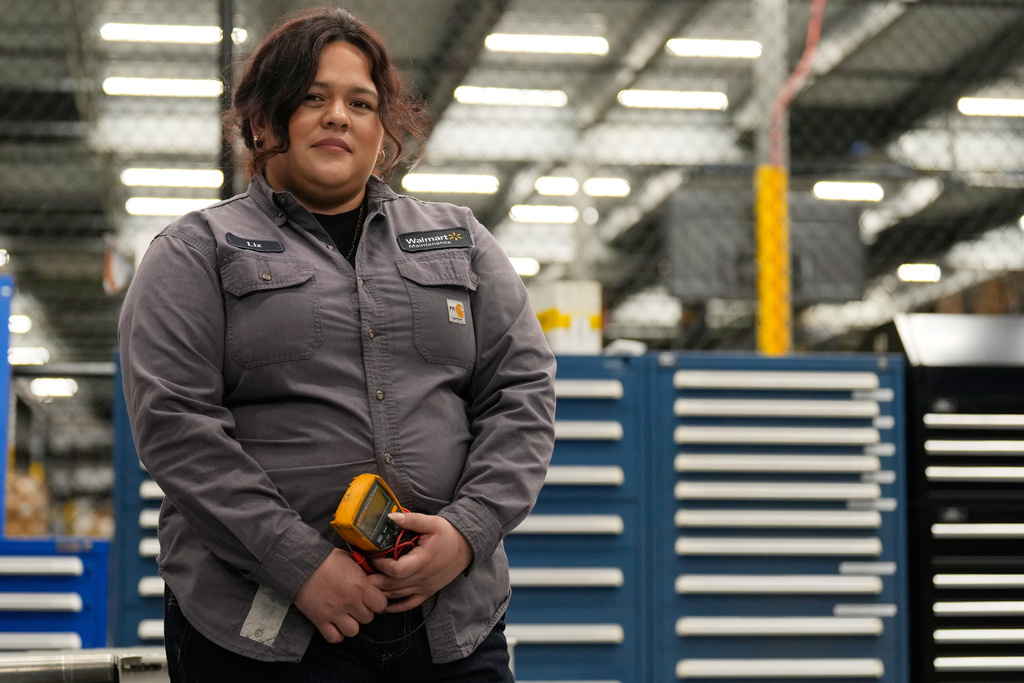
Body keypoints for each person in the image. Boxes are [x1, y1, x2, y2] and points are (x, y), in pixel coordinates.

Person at [117, 6, 557, 681]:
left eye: (361, 102)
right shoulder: (195, 251)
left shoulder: (460, 239)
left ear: (383, 132)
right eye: (313, 98)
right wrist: (298, 562)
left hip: (450, 621)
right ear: (263, 121)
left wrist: (469, 532)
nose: (338, 116)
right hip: (264, 627)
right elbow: (176, 425)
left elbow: (521, 393)